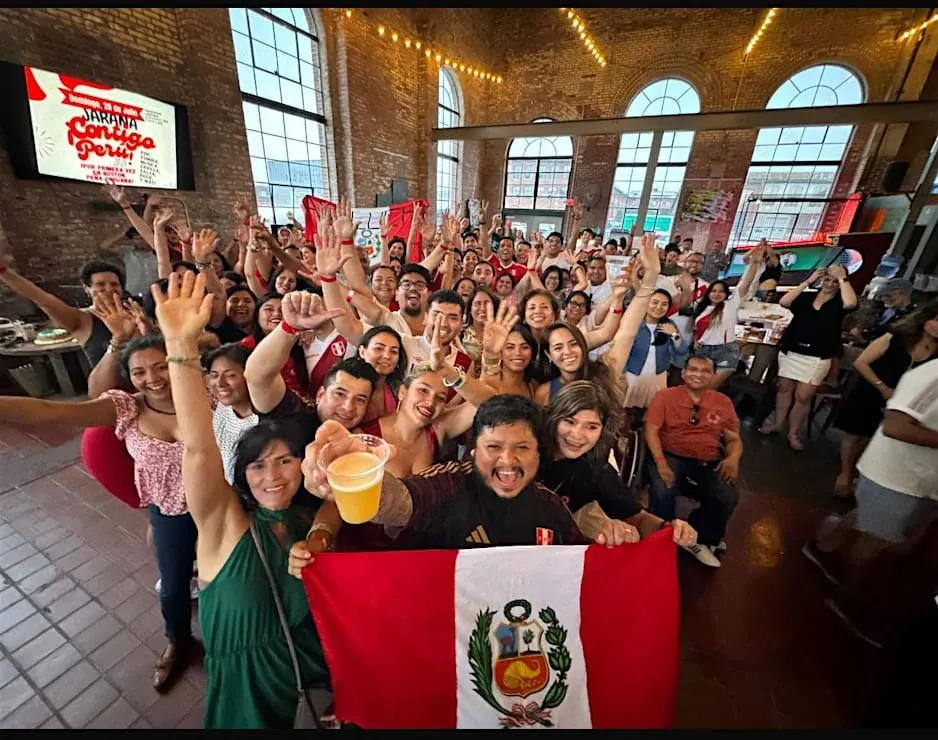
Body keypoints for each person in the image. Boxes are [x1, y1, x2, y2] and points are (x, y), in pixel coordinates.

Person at [149, 271, 339, 728]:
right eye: (257, 466)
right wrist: (180, 349)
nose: (273, 476)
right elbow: (197, 449)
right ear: (240, 474)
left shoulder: (300, 514)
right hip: (247, 690)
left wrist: (320, 535)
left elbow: (333, 507)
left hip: (309, 673)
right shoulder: (223, 525)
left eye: (284, 462)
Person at [0, 334, 199, 689]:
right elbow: (52, 411)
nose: (152, 378)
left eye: (159, 366)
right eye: (139, 372)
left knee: (228, 583)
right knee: (172, 588)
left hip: (221, 508)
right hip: (170, 514)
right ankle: (178, 642)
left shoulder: (203, 396)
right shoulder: (126, 407)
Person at [290, 395, 644, 569]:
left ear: (540, 455)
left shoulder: (551, 507)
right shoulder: (446, 484)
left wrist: (613, 541)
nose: (508, 461)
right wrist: (356, 471)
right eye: (494, 447)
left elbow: (582, 565)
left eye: (522, 448)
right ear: (473, 451)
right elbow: (401, 501)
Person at [539, 380, 698, 547]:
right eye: (569, 421)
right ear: (553, 417)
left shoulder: (595, 470)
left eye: (591, 427)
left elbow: (638, 518)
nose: (577, 435)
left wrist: (671, 528)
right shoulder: (526, 446)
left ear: (603, 430)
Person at [644, 354, 743, 568]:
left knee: (728, 495)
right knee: (663, 490)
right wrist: (661, 463)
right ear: (684, 373)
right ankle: (663, 537)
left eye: (705, 371)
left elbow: (733, 438)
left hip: (708, 459)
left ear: (713, 375)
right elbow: (651, 431)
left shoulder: (722, 402)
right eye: (694, 369)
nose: (698, 375)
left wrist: (733, 458)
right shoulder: (665, 396)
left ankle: (699, 538)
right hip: (671, 454)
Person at [832, 302, 938, 496]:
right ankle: (845, 473)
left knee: (873, 437)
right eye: (936, 320)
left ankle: (859, 474)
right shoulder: (896, 337)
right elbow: (861, 362)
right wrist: (882, 387)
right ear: (926, 318)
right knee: (856, 434)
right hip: (872, 389)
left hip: (902, 401)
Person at [0, 221, 124, 367]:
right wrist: (3, 271)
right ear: (87, 289)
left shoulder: (135, 314)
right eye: (100, 284)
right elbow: (43, 299)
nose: (108, 289)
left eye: (114, 284)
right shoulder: (82, 319)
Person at [760, 264, 857, 450]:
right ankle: (778, 424)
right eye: (827, 279)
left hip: (817, 356)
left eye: (834, 281)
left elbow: (851, 303)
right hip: (792, 350)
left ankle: (793, 432)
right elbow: (785, 302)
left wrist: (843, 278)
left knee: (803, 396)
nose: (830, 283)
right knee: (784, 389)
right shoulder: (807, 297)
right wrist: (807, 281)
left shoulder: (839, 303)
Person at [691, 245, 762, 389]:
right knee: (697, 388)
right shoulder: (701, 308)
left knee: (708, 389)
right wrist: (695, 341)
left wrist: (754, 264)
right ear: (709, 293)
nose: (717, 294)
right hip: (703, 351)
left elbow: (746, 283)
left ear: (726, 294)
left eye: (721, 291)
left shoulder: (730, 305)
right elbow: (696, 329)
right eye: (714, 291)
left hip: (725, 352)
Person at [204, 342, 259, 485]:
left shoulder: (263, 419)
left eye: (230, 375)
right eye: (214, 375)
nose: (220, 383)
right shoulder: (223, 408)